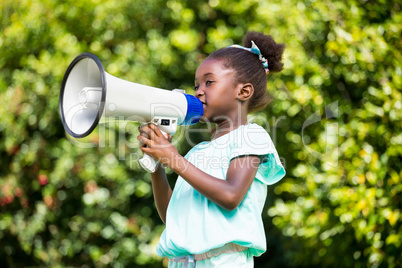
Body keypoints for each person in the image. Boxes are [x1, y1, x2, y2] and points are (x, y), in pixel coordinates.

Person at [137, 31, 286, 267]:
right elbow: (173, 217)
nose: (198, 91)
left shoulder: (251, 136)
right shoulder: (197, 152)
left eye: (209, 82)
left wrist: (174, 159)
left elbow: (230, 196)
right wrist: (157, 166)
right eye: (196, 85)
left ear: (243, 92)